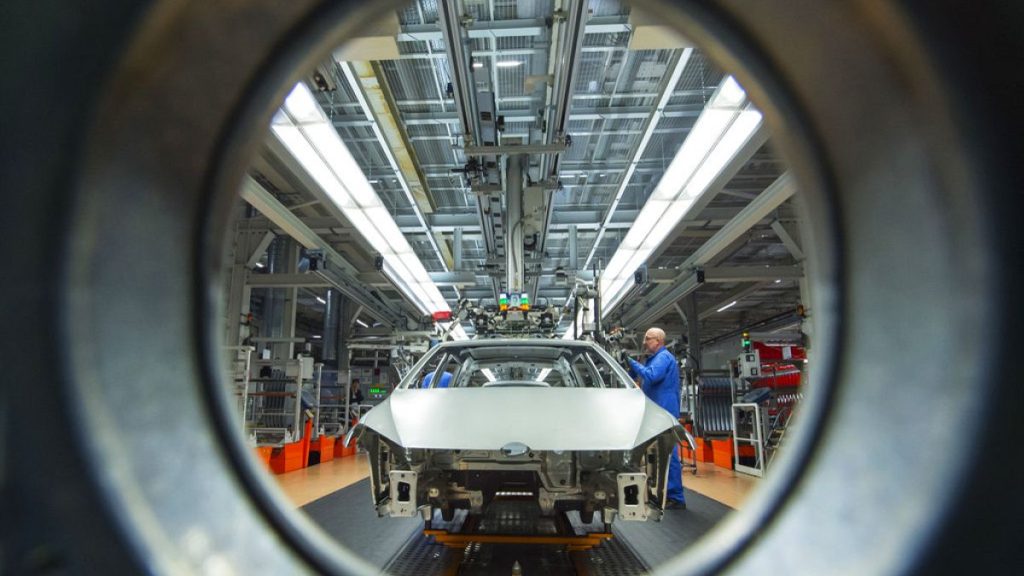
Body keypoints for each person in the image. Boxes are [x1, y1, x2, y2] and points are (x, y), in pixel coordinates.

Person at [625, 327, 686, 509]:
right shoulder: (653, 359)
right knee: (657, 455)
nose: (645, 342)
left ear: (658, 340)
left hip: (664, 412)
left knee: (668, 455)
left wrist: (630, 361)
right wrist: (629, 366)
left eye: (648, 339)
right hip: (656, 412)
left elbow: (651, 376)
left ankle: (676, 497)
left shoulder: (664, 358)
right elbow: (635, 377)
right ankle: (661, 491)